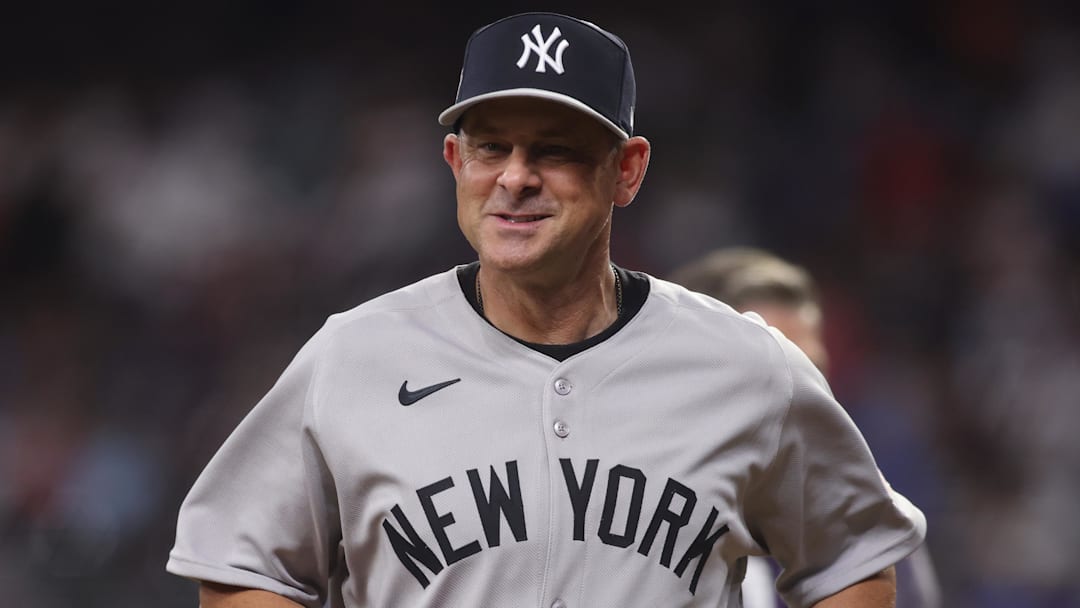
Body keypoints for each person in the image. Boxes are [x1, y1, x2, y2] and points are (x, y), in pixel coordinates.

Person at [167, 12, 927, 607]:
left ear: (627, 170)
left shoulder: (747, 366)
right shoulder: (353, 357)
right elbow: (240, 565)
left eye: (554, 150)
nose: (515, 178)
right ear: (455, 161)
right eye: (491, 148)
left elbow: (852, 561)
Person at [668, 246, 943, 608]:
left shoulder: (867, 534)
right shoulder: (629, 508)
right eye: (771, 374)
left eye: (811, 373)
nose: (796, 395)